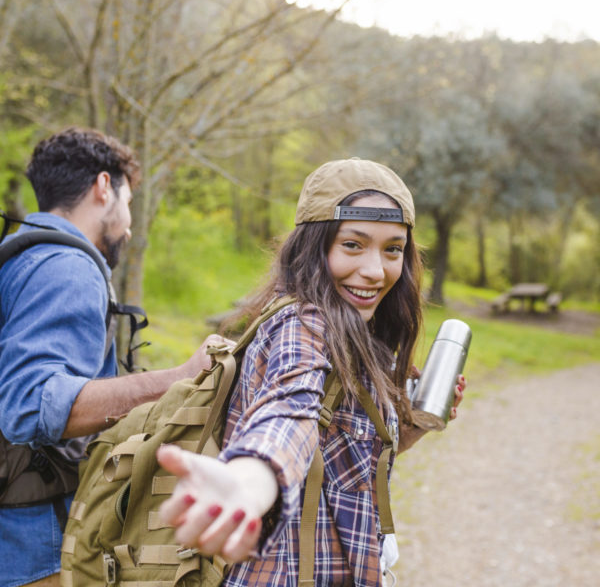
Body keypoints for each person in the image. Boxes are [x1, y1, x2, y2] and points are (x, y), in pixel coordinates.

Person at [157, 157, 467, 586]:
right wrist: (250, 481)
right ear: (314, 248)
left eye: (392, 249)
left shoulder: (363, 334)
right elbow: (289, 413)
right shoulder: (302, 325)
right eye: (353, 245)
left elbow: (347, 464)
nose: (375, 270)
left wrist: (411, 423)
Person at [0, 127, 219, 587]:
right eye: (129, 203)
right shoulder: (68, 267)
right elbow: (28, 402)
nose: (131, 223)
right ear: (104, 186)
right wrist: (180, 377)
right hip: (35, 551)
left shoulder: (21, 257)